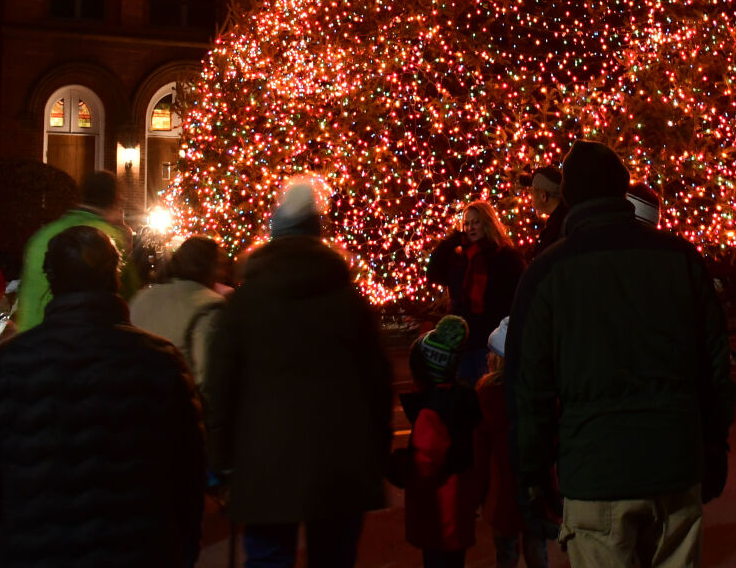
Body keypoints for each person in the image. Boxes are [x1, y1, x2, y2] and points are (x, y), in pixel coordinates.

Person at [508, 140, 736, 568]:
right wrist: (714, 444)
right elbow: (714, 367)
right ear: (622, 189)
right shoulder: (679, 258)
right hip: (675, 463)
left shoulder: (547, 272)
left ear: (570, 197)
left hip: (596, 471)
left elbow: (528, 389)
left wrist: (532, 478)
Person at [0, 225, 204, 566]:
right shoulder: (161, 362)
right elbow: (187, 480)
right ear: (115, 278)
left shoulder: (5, 367)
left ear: (52, 281)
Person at [205, 181, 392, 568]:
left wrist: (221, 463)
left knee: (269, 558)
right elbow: (377, 384)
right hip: (339, 463)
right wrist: (376, 452)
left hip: (264, 461)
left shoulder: (245, 302)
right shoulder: (348, 300)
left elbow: (222, 387)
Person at [392, 315, 484, 568]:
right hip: (459, 511)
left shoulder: (431, 413)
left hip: (438, 515)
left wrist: (396, 465)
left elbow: (424, 466)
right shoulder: (462, 400)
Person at [13, 168, 138, 331]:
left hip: (31, 337)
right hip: (82, 342)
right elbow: (131, 299)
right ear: (115, 199)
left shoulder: (43, 235)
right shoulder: (107, 239)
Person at [476, 317, 550, 568]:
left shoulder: (487, 398)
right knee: (537, 551)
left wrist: (479, 493)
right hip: (535, 489)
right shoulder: (539, 394)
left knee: (506, 556)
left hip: (503, 493)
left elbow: (481, 452)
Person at [427, 200, 525, 381]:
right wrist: (451, 240)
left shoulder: (505, 256)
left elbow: (518, 296)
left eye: (475, 222)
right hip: (462, 339)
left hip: (490, 338)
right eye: (466, 223)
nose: (470, 227)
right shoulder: (460, 256)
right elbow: (433, 273)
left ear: (487, 222)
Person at [130, 235, 227, 382]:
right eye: (219, 266)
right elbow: (207, 372)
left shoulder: (141, 298)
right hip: (178, 398)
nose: (222, 274)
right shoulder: (209, 305)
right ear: (209, 267)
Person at [526, 164, 567, 255]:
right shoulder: (564, 217)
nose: (530, 196)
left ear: (543, 196)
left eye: (532, 191)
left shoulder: (556, 230)